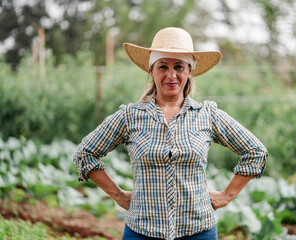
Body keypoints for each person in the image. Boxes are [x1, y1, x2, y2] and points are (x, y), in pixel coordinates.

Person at [73, 27, 268, 240]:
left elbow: (255, 151)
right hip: (142, 231)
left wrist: (227, 195)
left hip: (198, 231)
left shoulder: (206, 115)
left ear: (190, 71)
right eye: (163, 66)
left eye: (179, 67)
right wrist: (118, 195)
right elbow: (86, 153)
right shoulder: (131, 116)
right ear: (151, 70)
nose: (171, 75)